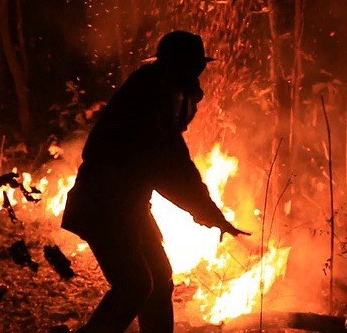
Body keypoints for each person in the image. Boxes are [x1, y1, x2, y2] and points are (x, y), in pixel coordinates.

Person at [61, 31, 250, 332]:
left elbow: (176, 165)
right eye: (194, 67)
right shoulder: (150, 101)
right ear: (179, 66)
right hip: (103, 207)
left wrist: (208, 212)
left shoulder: (158, 90)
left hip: (128, 206)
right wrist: (208, 213)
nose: (198, 78)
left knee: (159, 279)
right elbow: (169, 169)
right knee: (134, 285)